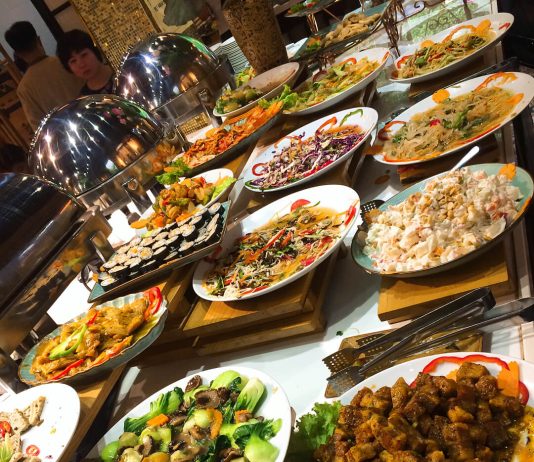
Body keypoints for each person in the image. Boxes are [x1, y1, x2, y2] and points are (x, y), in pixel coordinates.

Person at [4, 21, 83, 130]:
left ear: (18, 54)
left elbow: (38, 126)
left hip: (66, 134)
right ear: (39, 40)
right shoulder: (66, 62)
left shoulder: (24, 88)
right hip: (90, 118)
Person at [56, 29, 114, 95]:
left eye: (84, 55)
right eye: (73, 61)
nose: (81, 64)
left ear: (95, 52)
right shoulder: (85, 97)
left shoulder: (119, 70)